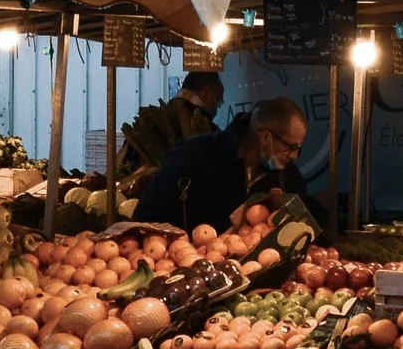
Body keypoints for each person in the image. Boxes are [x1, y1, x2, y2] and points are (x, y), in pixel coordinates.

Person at [136, 94, 307, 231]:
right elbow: (147, 218)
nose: (295, 156)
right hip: (191, 265)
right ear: (265, 137)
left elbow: (304, 227)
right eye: (291, 147)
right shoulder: (193, 155)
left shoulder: (289, 178)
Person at [117, 71, 223, 178]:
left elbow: (121, 168)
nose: (216, 110)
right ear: (208, 94)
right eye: (219, 102)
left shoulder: (144, 124)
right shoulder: (209, 134)